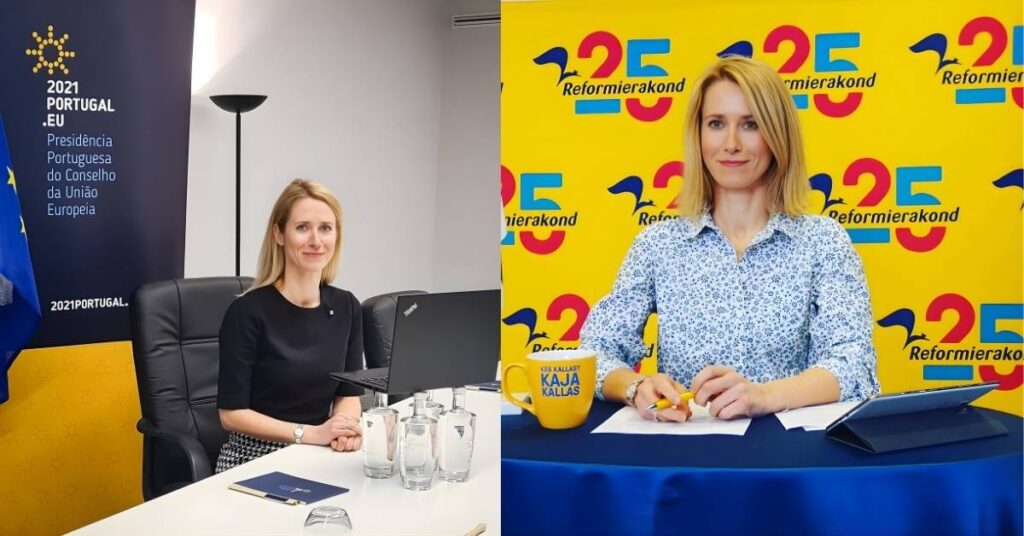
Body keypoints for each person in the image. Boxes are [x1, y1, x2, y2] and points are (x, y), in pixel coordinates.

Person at [579, 56, 880, 423]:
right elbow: (594, 352)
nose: (731, 143)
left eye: (750, 124)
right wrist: (636, 386)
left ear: (777, 135)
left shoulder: (823, 241)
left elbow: (854, 362)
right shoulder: (657, 244)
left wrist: (766, 396)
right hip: (683, 462)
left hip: (787, 459)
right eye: (717, 124)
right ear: (699, 134)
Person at [215, 179, 365, 472]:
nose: (316, 241)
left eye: (325, 228)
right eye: (302, 227)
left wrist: (344, 428)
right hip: (253, 456)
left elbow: (348, 394)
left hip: (320, 451)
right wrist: (311, 434)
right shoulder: (246, 312)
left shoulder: (347, 306)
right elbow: (231, 415)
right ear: (279, 234)